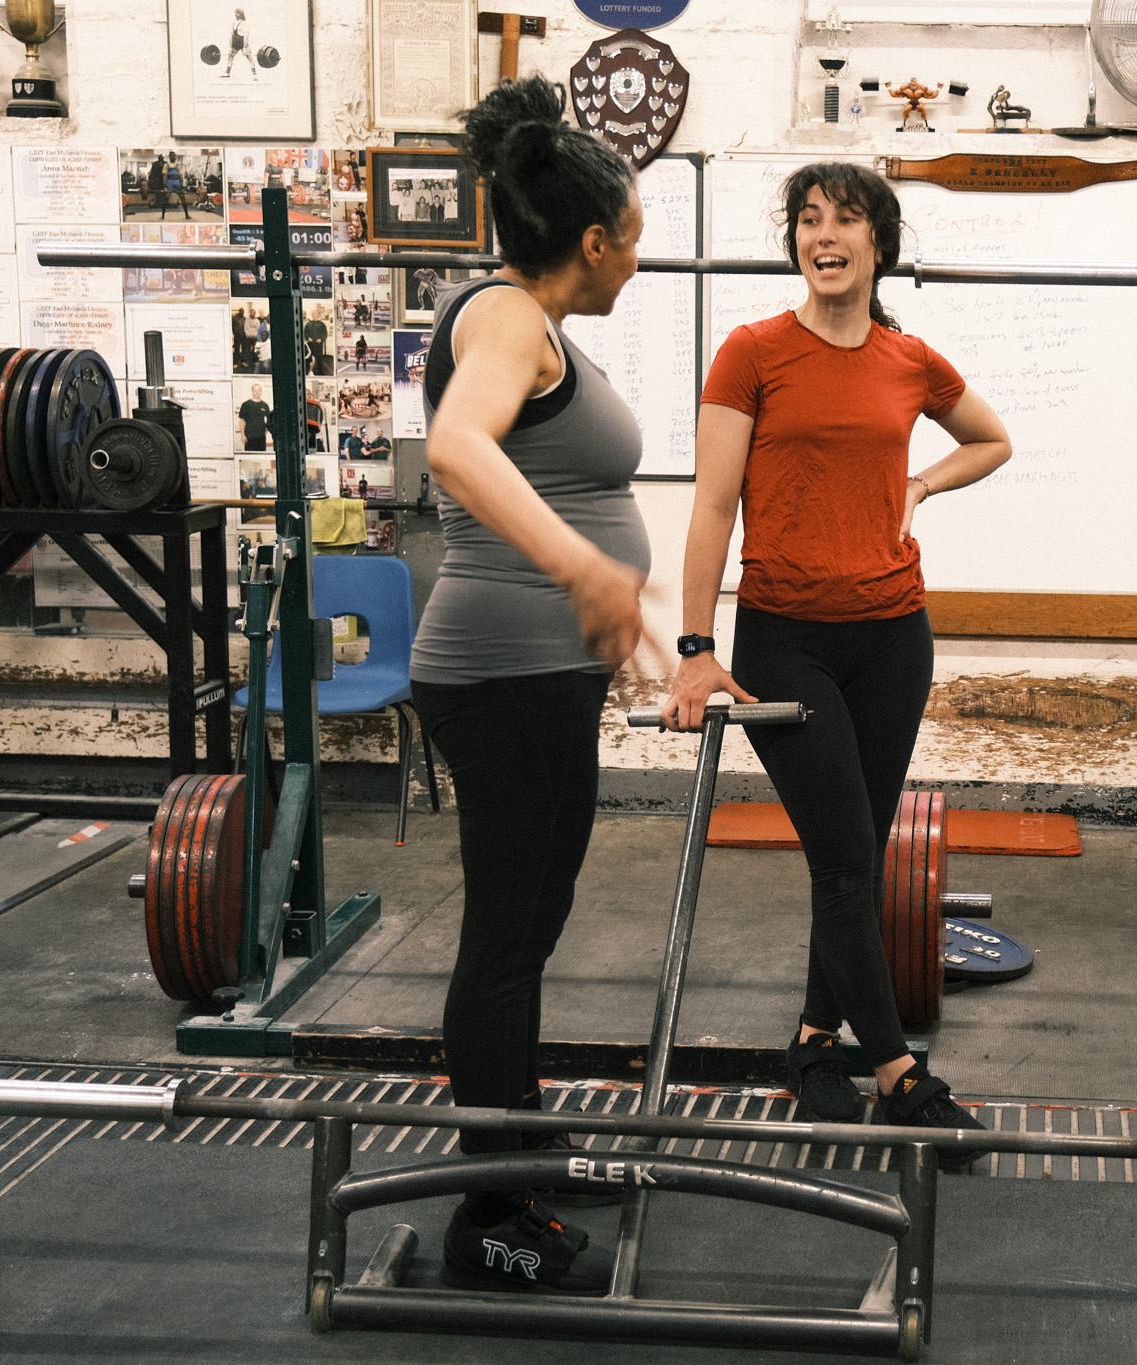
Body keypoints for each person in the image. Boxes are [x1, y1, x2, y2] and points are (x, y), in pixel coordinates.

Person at [659, 163, 1012, 1155]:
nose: (823, 235)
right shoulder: (751, 353)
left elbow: (990, 439)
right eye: (807, 219)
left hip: (894, 638)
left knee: (847, 856)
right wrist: (694, 647)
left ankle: (815, 1043)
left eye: (844, 220)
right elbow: (711, 507)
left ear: (877, 244)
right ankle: (900, 1071)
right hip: (786, 639)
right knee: (852, 859)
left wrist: (926, 485)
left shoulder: (908, 360)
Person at [410, 75, 648, 1296]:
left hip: (542, 675)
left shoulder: (541, 326)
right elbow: (456, 446)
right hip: (499, 670)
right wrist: (585, 570)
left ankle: (526, 1148)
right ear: (594, 239)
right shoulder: (505, 316)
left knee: (529, 931)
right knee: (506, 941)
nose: (640, 259)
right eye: (638, 236)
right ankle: (484, 1214)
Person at [222, 8, 256, 80]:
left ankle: (254, 75)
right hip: (235, 43)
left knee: (249, 57)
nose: (235, 14)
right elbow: (231, 36)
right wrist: (230, 47)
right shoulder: (234, 23)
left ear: (241, 14)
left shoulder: (244, 23)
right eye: (235, 12)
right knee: (230, 56)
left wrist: (244, 48)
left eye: (237, 13)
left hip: (243, 42)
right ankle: (227, 73)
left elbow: (246, 37)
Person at [237, 383, 271, 451]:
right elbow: (242, 421)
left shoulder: (265, 405)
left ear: (261, 391)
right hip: (249, 437)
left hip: (261, 437)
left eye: (258, 390)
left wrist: (266, 430)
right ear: (252, 391)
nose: (257, 392)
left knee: (261, 458)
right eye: (255, 390)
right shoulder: (246, 405)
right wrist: (242, 435)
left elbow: (270, 420)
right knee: (249, 459)